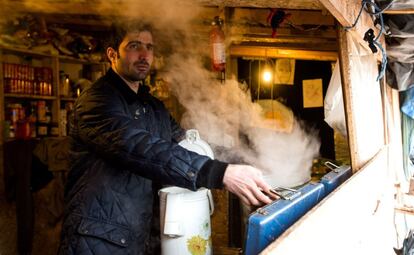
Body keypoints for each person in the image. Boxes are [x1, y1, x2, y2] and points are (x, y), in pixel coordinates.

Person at [58, 20, 275, 255]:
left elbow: (187, 145)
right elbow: (139, 146)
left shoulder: (153, 107)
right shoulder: (97, 101)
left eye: (149, 47)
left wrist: (246, 160)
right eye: (134, 46)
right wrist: (219, 173)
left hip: (136, 237)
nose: (144, 54)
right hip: (98, 240)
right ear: (112, 54)